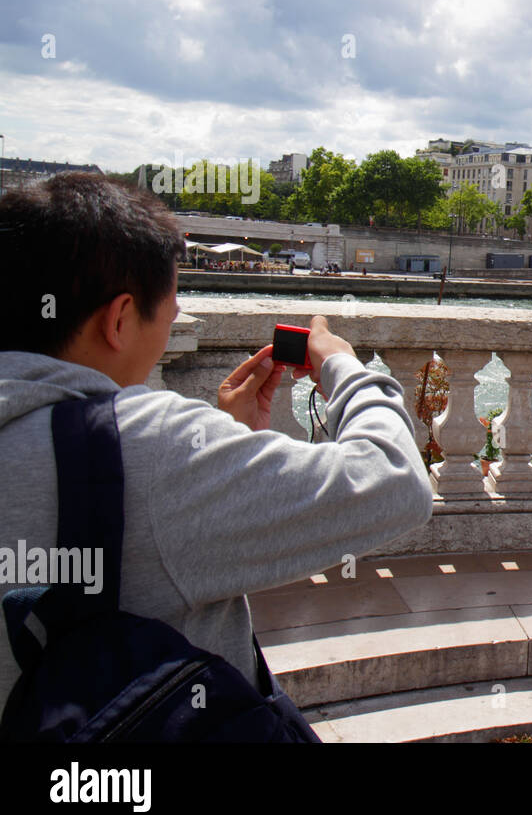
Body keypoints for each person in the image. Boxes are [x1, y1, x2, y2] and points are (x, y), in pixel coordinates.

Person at [0, 173, 433, 728]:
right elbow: (393, 484)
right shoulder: (151, 448)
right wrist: (344, 370)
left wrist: (225, 444)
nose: (176, 315)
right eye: (172, 299)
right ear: (119, 319)